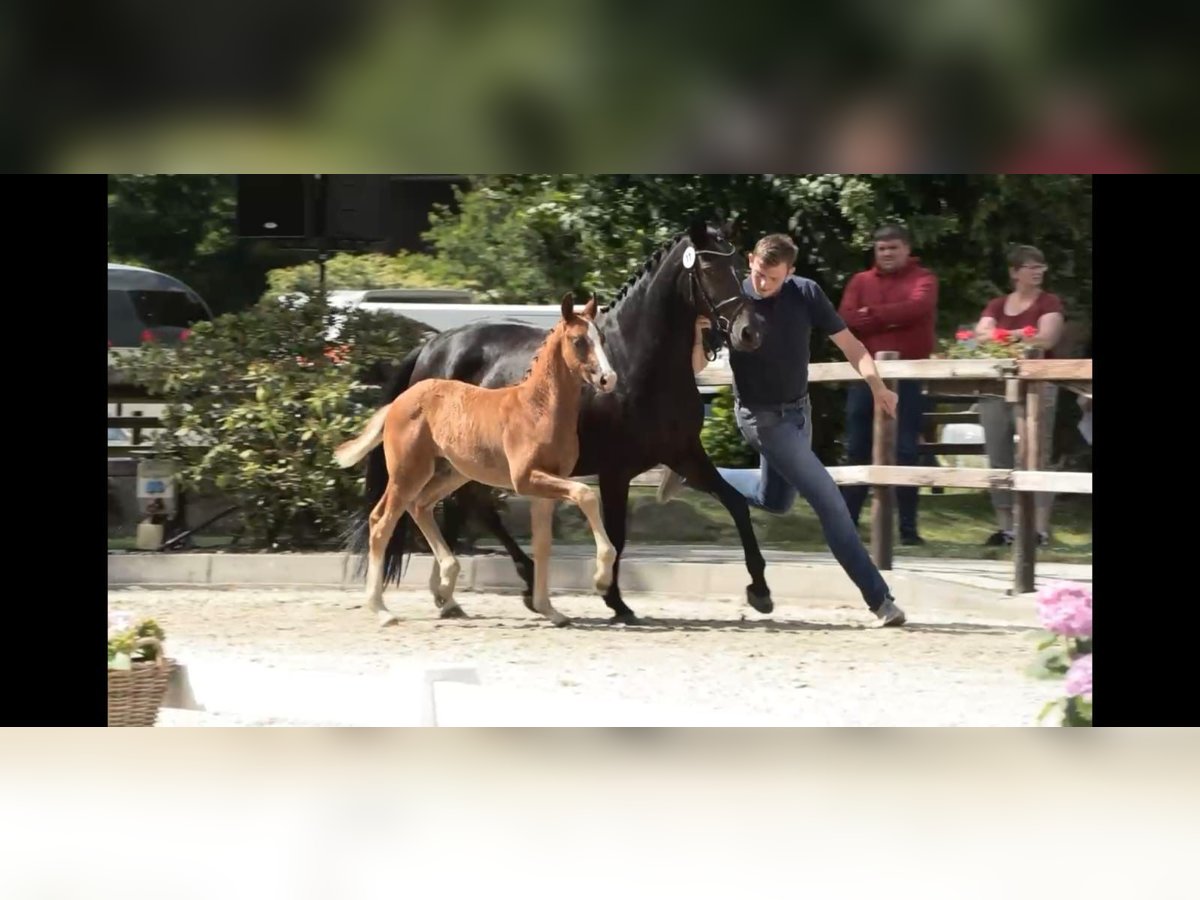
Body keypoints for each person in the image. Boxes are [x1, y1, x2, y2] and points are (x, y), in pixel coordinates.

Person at [658, 233, 908, 627]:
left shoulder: (805, 294)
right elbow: (696, 368)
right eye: (758, 273)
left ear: (789, 273)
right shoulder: (729, 299)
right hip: (761, 419)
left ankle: (693, 471)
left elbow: (851, 345)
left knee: (774, 499)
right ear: (751, 260)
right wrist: (695, 331)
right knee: (829, 500)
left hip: (799, 412)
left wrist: (877, 385)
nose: (762, 284)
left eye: (772, 278)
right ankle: (880, 600)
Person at [836, 223, 939, 546]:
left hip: (906, 379)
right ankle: (845, 526)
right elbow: (844, 317)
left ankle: (908, 530)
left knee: (906, 449)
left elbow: (917, 308)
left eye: (893, 247)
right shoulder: (860, 281)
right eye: (882, 249)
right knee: (857, 450)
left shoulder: (924, 279)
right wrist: (887, 317)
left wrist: (873, 316)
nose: (887, 253)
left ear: (907, 249)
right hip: (865, 377)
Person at [974, 244, 1066, 547]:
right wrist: (1020, 335)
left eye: (1041, 266)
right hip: (995, 388)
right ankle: (1007, 529)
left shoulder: (1049, 302)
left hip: (1038, 388)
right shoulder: (998, 305)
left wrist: (1005, 336)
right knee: (998, 456)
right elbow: (981, 336)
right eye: (1031, 266)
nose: (1038, 271)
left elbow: (1046, 338)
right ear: (1015, 272)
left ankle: (1038, 530)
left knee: (1035, 454)